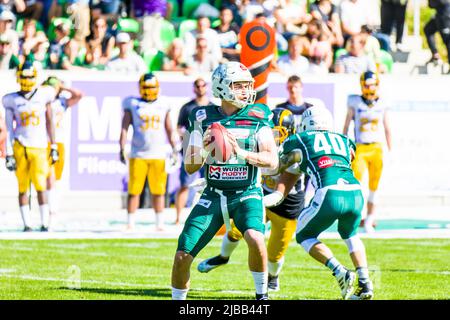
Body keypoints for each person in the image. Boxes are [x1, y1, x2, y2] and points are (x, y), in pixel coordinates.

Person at [171, 61, 279, 300]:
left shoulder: (258, 115)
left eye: (247, 85)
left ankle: (262, 297)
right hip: (213, 193)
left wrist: (239, 153)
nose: (245, 91)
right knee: (182, 256)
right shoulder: (201, 116)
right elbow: (190, 166)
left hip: (247, 192)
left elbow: (272, 161)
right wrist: (206, 150)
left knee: (255, 238)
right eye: (239, 85)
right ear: (222, 87)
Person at [197, 108, 306, 293]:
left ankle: (273, 276)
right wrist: (211, 180)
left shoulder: (294, 153)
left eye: (278, 133)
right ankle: (223, 257)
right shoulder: (260, 144)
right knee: (236, 230)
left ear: (289, 132)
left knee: (274, 255)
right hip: (261, 193)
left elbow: (281, 191)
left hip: (286, 205)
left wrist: (261, 199)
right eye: (271, 131)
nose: (272, 136)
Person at [279, 105, 374, 300]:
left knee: (304, 235)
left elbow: (282, 158)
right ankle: (365, 283)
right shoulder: (344, 139)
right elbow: (347, 158)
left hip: (329, 193)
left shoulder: (302, 138)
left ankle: (340, 271)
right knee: (350, 234)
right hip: (355, 192)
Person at [2, 61, 58, 232]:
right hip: (20, 145)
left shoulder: (44, 95)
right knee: (23, 186)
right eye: (24, 76)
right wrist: (9, 152)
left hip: (40, 146)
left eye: (29, 76)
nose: (26, 80)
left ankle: (45, 223)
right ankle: (27, 224)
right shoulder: (11, 99)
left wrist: (54, 146)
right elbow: (9, 128)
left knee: (41, 185)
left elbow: (50, 122)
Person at [119, 72, 177, 231]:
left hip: (158, 153)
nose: (149, 90)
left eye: (152, 87)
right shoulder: (132, 103)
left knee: (158, 190)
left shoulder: (164, 103)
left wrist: (174, 148)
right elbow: (124, 127)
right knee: (134, 190)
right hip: (138, 153)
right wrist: (122, 146)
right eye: (146, 87)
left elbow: (169, 128)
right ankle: (130, 222)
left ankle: (159, 223)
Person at [343, 71, 392, 233]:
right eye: (367, 84)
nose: (369, 87)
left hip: (376, 147)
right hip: (360, 147)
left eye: (372, 84)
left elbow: (387, 128)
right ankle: (355, 216)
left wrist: (390, 151)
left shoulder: (382, 102)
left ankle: (370, 217)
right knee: (356, 184)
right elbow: (346, 125)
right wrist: (344, 145)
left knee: (374, 185)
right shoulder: (355, 101)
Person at [42, 76, 83, 219]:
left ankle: (52, 204)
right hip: (45, 141)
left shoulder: (62, 102)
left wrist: (63, 86)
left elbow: (79, 95)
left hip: (59, 141)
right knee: (49, 175)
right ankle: (50, 208)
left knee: (57, 177)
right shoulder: (42, 101)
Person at [174, 78, 210, 225]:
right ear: (194, 88)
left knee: (210, 185)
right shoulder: (188, 107)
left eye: (203, 85)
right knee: (185, 184)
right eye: (198, 86)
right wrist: (190, 136)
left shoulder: (213, 107)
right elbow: (179, 128)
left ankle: (206, 218)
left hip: (210, 151)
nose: (200, 88)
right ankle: (177, 217)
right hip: (191, 150)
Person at [424, 0, 450, 67]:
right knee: (428, 29)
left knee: (447, 40)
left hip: (445, 14)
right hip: (439, 13)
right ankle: (435, 54)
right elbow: (431, 5)